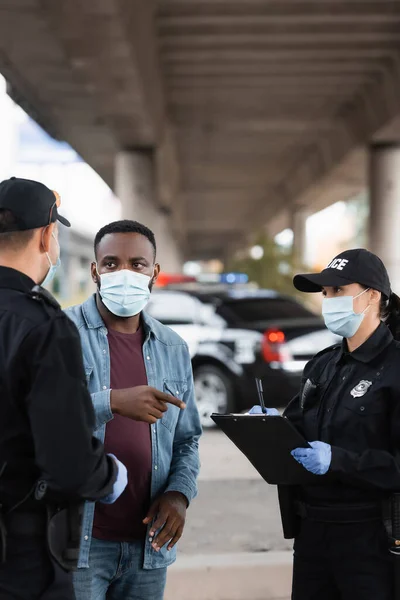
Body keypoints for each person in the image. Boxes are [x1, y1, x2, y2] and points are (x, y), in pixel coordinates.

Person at [0, 177, 128, 600]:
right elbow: (68, 461)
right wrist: (110, 477)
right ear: (47, 235)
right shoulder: (42, 326)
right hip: (19, 556)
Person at [250, 248, 400, 600]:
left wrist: (339, 460)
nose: (328, 300)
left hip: (371, 538)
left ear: (372, 296)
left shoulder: (395, 368)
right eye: (326, 293)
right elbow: (297, 434)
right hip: (313, 532)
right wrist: (270, 431)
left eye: (338, 291)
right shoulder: (323, 365)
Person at [65, 219, 202, 600]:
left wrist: (179, 494)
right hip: (80, 543)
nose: (124, 273)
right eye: (111, 264)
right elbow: (39, 422)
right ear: (95, 271)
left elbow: (187, 440)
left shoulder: (172, 347)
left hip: (148, 546)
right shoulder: (60, 333)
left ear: (154, 272)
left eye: (137, 264)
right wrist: (112, 402)